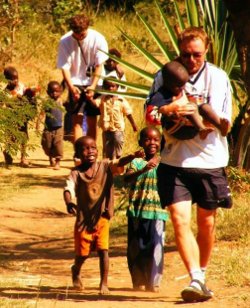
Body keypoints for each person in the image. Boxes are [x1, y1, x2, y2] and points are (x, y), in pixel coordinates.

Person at [146, 27, 233, 302]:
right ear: (179, 51)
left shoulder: (218, 78)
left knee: (206, 222)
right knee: (178, 218)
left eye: (197, 54)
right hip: (174, 160)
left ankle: (202, 274)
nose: (191, 59)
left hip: (210, 160)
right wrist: (168, 111)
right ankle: (195, 278)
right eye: (186, 54)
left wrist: (189, 114)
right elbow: (149, 114)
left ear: (205, 51)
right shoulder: (164, 75)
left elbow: (221, 123)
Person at [63, 136, 144, 294]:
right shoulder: (76, 173)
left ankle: (104, 284)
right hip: (83, 221)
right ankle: (76, 269)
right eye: (85, 149)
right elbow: (68, 188)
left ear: (98, 150)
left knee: (103, 251)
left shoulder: (105, 166)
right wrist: (69, 202)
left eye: (93, 147)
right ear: (78, 153)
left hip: (102, 218)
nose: (90, 151)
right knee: (82, 254)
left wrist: (132, 156)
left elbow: (118, 163)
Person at [124, 126, 168, 292]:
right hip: (137, 211)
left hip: (158, 212)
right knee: (137, 247)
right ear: (140, 142)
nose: (152, 143)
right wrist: (143, 169)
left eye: (156, 140)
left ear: (161, 142)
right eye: (148, 139)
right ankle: (138, 280)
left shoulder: (165, 162)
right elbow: (127, 178)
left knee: (156, 246)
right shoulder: (136, 162)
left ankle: (153, 281)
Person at [57, 13, 109, 143]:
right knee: (77, 119)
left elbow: (99, 65)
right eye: (76, 34)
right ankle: (79, 154)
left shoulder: (98, 39)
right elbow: (64, 67)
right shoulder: (65, 41)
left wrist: (93, 86)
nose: (79, 36)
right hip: (75, 82)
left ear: (87, 28)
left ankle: (91, 151)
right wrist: (71, 87)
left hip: (94, 81)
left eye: (82, 34)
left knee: (92, 120)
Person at [146, 60, 230, 140]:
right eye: (179, 86)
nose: (182, 88)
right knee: (191, 107)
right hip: (177, 129)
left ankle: (220, 126)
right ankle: (201, 129)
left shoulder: (178, 90)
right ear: (167, 83)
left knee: (205, 107)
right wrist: (169, 112)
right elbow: (150, 114)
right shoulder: (161, 95)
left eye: (184, 84)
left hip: (189, 123)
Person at [89, 78, 138, 160]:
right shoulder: (102, 98)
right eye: (107, 87)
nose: (110, 89)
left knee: (118, 141)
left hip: (118, 128)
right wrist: (90, 99)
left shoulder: (121, 100)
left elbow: (128, 113)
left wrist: (133, 124)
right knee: (108, 146)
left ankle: (118, 156)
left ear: (117, 87)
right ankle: (109, 162)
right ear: (104, 87)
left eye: (113, 86)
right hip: (106, 128)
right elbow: (95, 104)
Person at [3, 66, 37, 167]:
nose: (16, 81)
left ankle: (23, 158)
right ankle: (7, 152)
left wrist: (31, 93)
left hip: (22, 118)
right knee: (11, 139)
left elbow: (27, 94)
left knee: (24, 137)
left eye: (17, 78)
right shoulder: (5, 92)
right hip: (11, 119)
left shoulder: (21, 86)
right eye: (13, 79)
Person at [41, 81, 64, 170]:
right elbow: (42, 114)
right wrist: (38, 123)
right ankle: (51, 157)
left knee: (58, 144)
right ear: (47, 92)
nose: (54, 94)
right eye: (52, 92)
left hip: (59, 127)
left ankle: (58, 161)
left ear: (60, 92)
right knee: (47, 144)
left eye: (56, 91)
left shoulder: (61, 101)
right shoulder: (47, 102)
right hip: (48, 127)